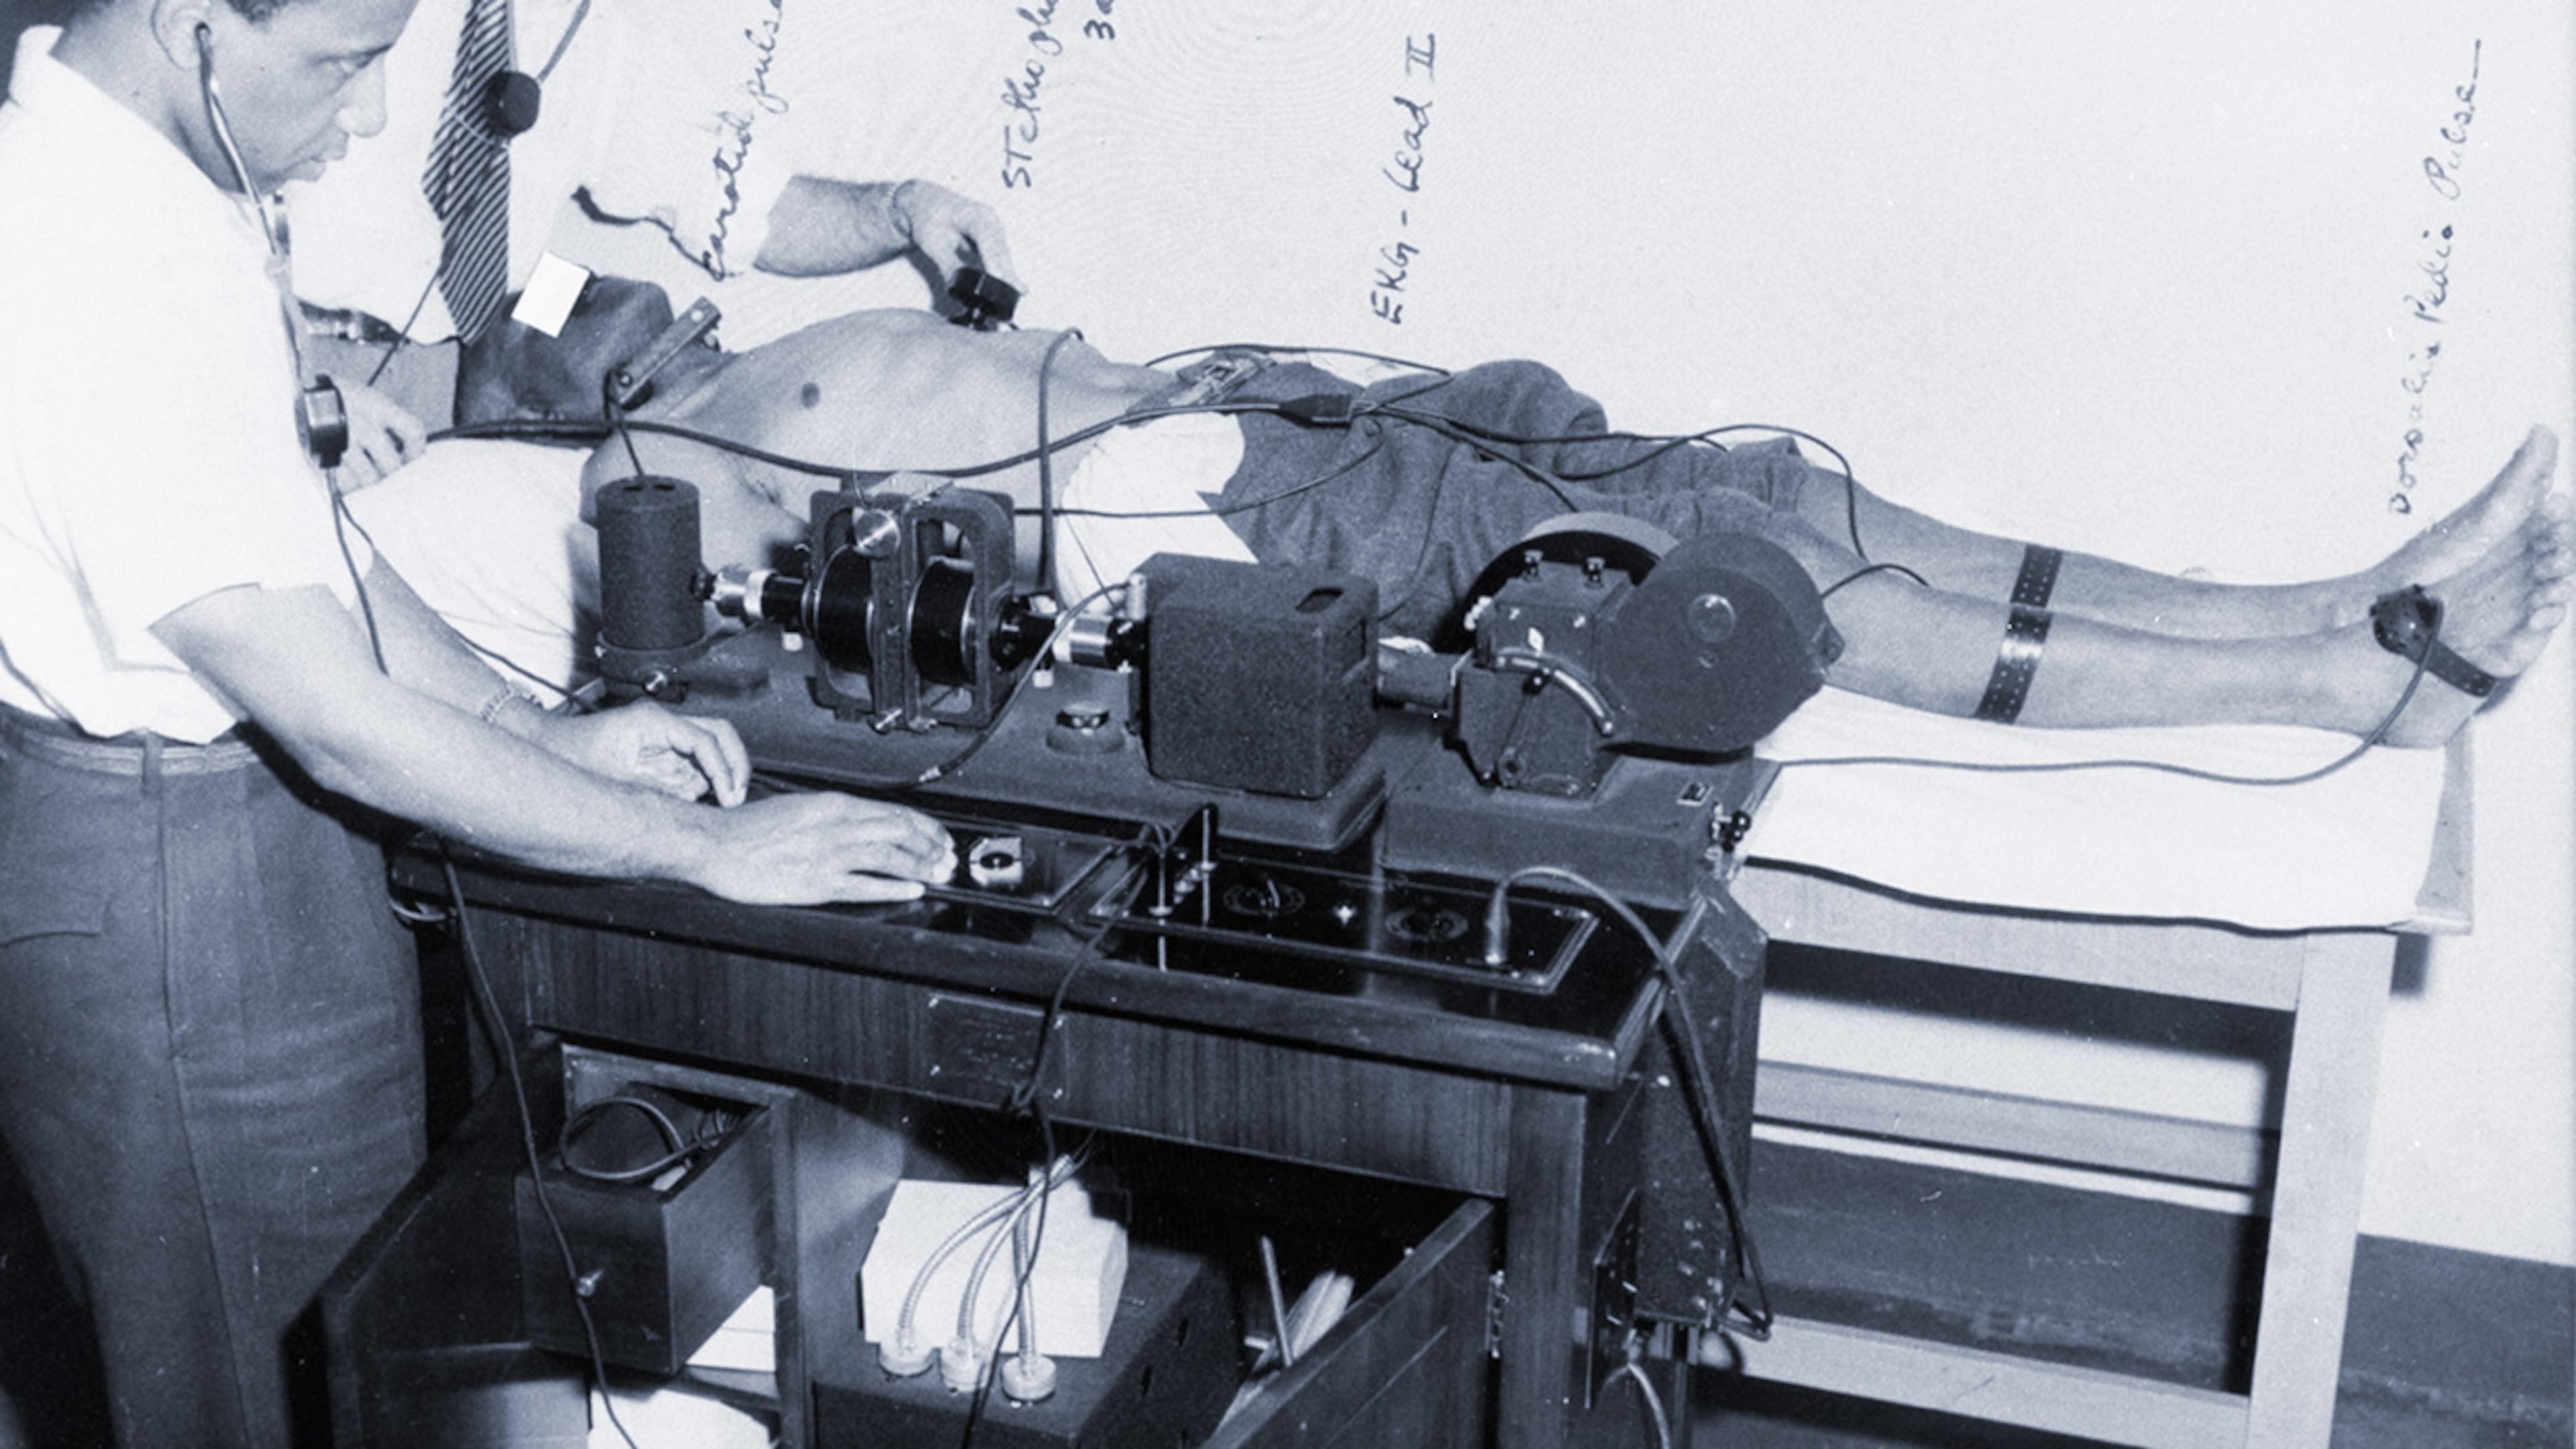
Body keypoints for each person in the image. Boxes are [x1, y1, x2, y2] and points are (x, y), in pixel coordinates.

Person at [0, 9, 954, 1447]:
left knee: (376, 1353)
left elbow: (311, 549)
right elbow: (332, 710)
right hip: (179, 897)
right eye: (342, 63)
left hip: (252, 858)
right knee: (266, 1402)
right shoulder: (80, 248)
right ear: (194, 27)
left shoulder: (168, 184)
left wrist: (530, 729)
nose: (374, 117)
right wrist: (706, 851)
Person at [396, 276, 2572, 749]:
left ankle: (2341, 603)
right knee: (1756, 575)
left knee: (1780, 486)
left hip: (1261, 428)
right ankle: (2339, 687)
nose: (616, 281)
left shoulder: (718, 351)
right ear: (517, 400)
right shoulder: (635, 474)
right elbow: (762, 611)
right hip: (1225, 517)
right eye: (554, 310)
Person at [281, 0, 1022, 482]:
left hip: (455, 400)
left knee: (609, 311)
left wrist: (902, 210)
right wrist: (287, 389)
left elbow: (746, 204)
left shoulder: (588, 33)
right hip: (290, 360)